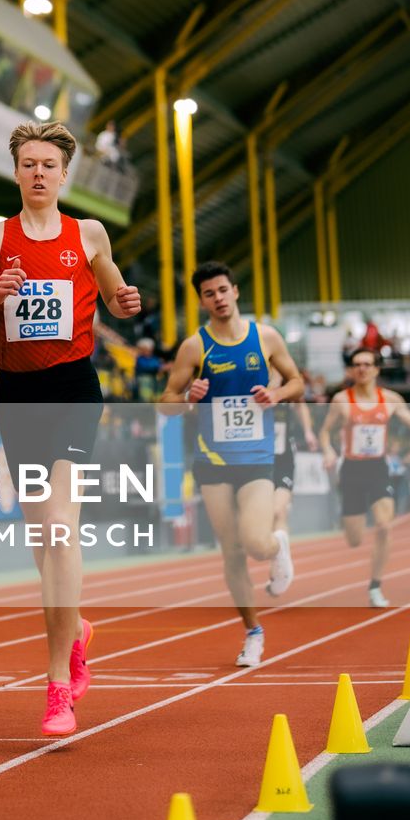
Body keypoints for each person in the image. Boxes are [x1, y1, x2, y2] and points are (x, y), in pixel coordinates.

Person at [0, 119, 141, 737]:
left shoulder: (90, 233)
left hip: (73, 389)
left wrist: (124, 301)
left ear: (63, 174)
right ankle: (75, 626)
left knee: (60, 524)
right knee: (43, 541)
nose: (37, 173)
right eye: (28, 164)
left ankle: (59, 687)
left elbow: (114, 295)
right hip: (17, 394)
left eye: (48, 165)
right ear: (16, 171)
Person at [159, 260, 305, 669]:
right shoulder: (194, 347)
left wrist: (276, 395)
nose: (218, 298)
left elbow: (297, 383)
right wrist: (189, 394)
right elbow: (164, 403)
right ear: (202, 300)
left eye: (223, 290)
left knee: (256, 542)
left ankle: (279, 546)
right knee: (232, 551)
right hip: (213, 461)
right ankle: (253, 633)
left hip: (257, 458)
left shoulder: (266, 337)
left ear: (235, 292)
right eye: (209, 293)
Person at [321, 350, 410, 608]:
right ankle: (353, 524)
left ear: (376, 369)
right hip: (351, 470)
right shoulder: (341, 400)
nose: (362, 369)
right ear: (351, 370)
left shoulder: (391, 399)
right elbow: (325, 431)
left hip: (378, 469)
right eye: (357, 365)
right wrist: (327, 450)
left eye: (367, 364)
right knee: (354, 539)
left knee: (384, 526)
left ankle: (375, 586)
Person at [272, 384, 317, 543]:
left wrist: (308, 431)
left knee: (278, 511)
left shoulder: (286, 380)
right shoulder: (248, 377)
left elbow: (300, 404)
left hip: (282, 458)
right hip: (253, 459)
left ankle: (280, 565)